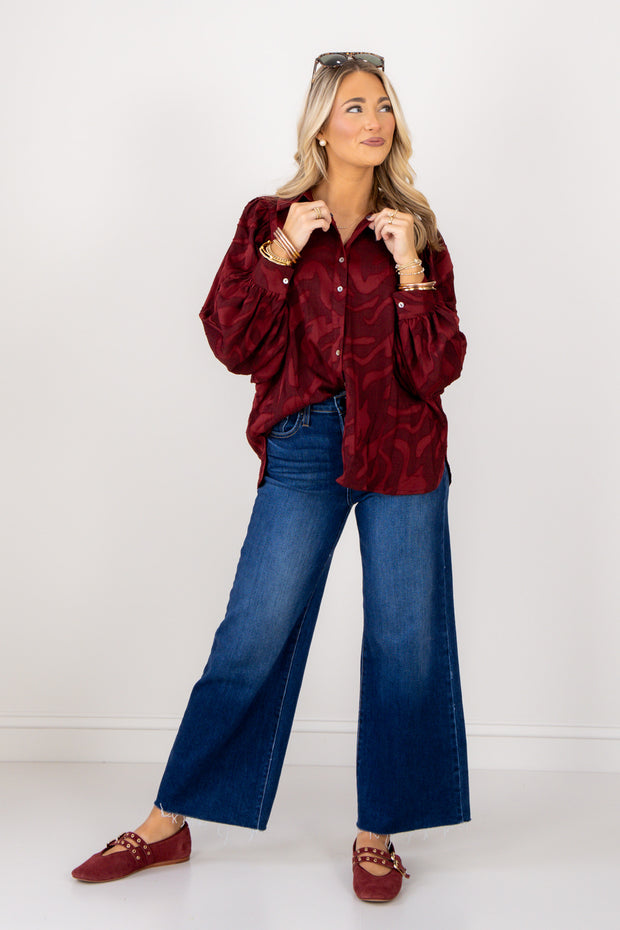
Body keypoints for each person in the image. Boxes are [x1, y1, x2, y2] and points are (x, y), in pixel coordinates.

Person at [72, 51, 470, 903]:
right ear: (321, 124)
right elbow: (233, 342)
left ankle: (378, 831)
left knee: (405, 640)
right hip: (306, 442)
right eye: (355, 107)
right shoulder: (269, 219)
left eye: (384, 107)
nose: (374, 121)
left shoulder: (417, 227)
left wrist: (409, 270)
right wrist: (284, 249)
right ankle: (168, 822)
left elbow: (437, 369)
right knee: (253, 631)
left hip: (404, 446)